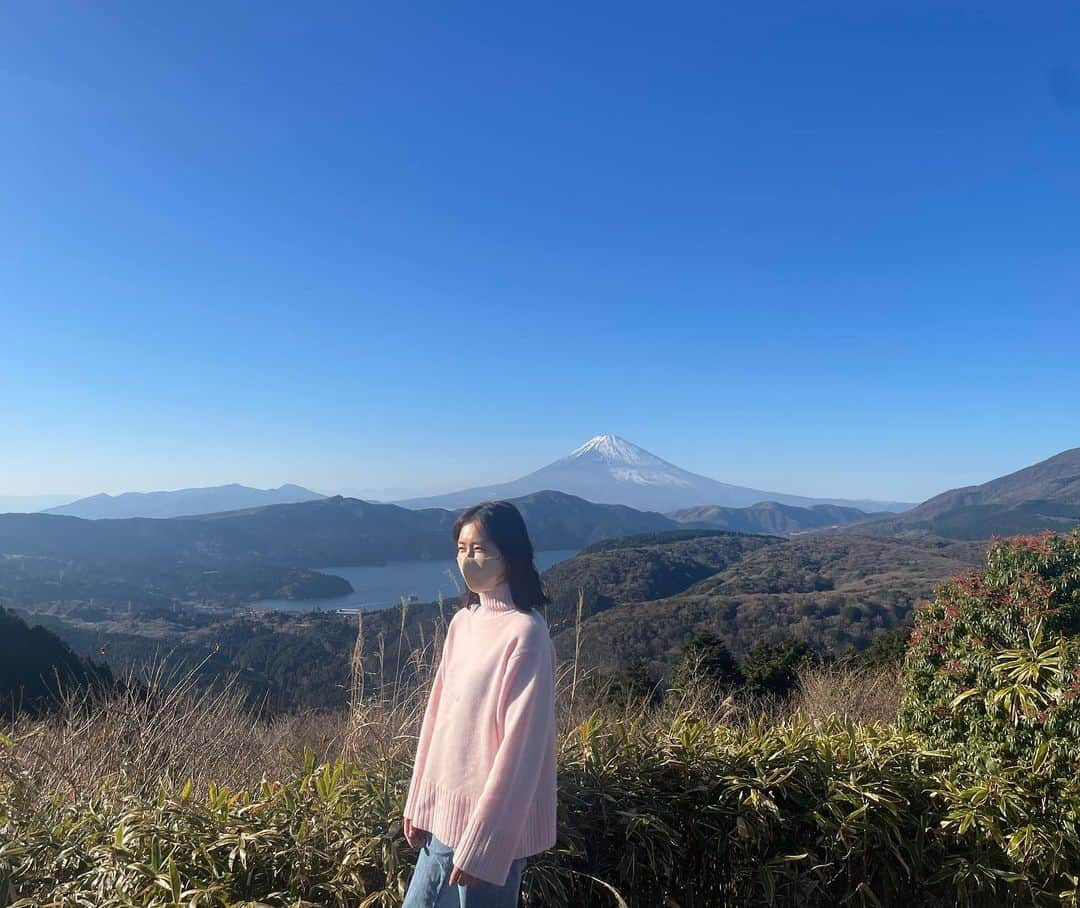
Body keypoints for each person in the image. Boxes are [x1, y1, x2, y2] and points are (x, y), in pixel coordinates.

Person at [401, 500, 558, 908]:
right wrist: (419, 801)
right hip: (441, 826)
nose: (467, 559)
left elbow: (520, 752)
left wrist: (485, 844)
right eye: (461, 548)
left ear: (511, 554)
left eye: (479, 549)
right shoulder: (463, 622)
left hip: (484, 834)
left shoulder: (526, 634)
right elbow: (437, 718)